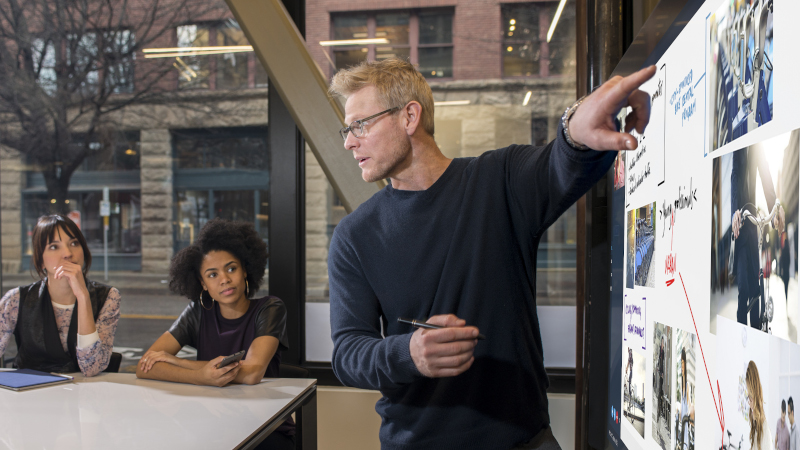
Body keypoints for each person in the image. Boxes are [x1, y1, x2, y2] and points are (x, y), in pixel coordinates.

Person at [327, 58, 656, 449]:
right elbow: (348, 352)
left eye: (360, 125)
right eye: (348, 129)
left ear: (409, 116)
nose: (349, 142)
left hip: (523, 441)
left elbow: (561, 162)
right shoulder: (353, 235)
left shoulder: (499, 179)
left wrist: (574, 130)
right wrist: (408, 353)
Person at [136, 218, 293, 449]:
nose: (225, 280)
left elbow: (251, 373)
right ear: (202, 283)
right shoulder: (197, 312)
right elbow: (145, 367)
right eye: (212, 275)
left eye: (231, 269)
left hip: (265, 427)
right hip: (213, 424)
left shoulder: (270, 308)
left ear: (245, 270)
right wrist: (200, 376)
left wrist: (179, 363)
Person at [0, 215, 121, 375]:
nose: (67, 253)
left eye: (74, 243)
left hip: (83, 389)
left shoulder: (108, 296)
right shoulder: (16, 299)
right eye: (54, 247)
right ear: (40, 261)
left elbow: (91, 368)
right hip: (30, 388)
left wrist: (83, 296)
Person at [731, 146, 785, 328]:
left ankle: (756, 332)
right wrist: (734, 212)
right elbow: (735, 175)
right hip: (740, 226)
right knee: (743, 289)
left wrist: (774, 207)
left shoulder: (757, 146)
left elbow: (765, 171)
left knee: (756, 289)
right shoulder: (737, 142)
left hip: (753, 228)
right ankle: (741, 335)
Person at [746, 360, 772, 450]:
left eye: (750, 397)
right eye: (748, 397)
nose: (749, 403)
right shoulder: (756, 430)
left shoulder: (765, 432)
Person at [678, 348, 694, 450]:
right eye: (681, 363)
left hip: (686, 424)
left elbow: (689, 404)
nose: (682, 366)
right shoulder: (681, 386)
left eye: (683, 363)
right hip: (681, 424)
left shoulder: (687, 385)